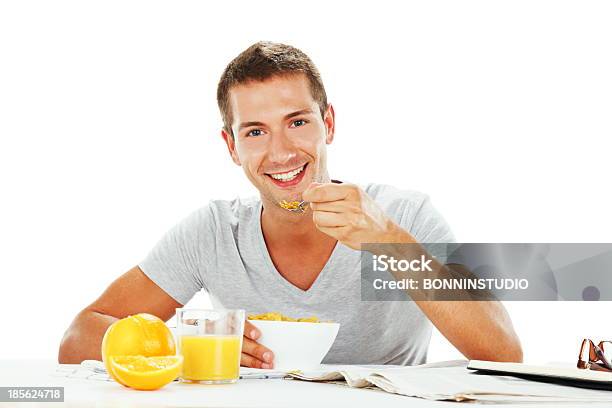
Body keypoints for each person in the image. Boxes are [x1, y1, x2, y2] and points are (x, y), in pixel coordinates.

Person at [58, 41, 522, 368]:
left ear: (329, 124)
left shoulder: (404, 215)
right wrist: (189, 345)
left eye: (297, 122)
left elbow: (502, 352)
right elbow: (80, 337)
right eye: (255, 131)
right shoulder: (213, 233)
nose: (280, 153)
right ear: (231, 146)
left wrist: (389, 242)